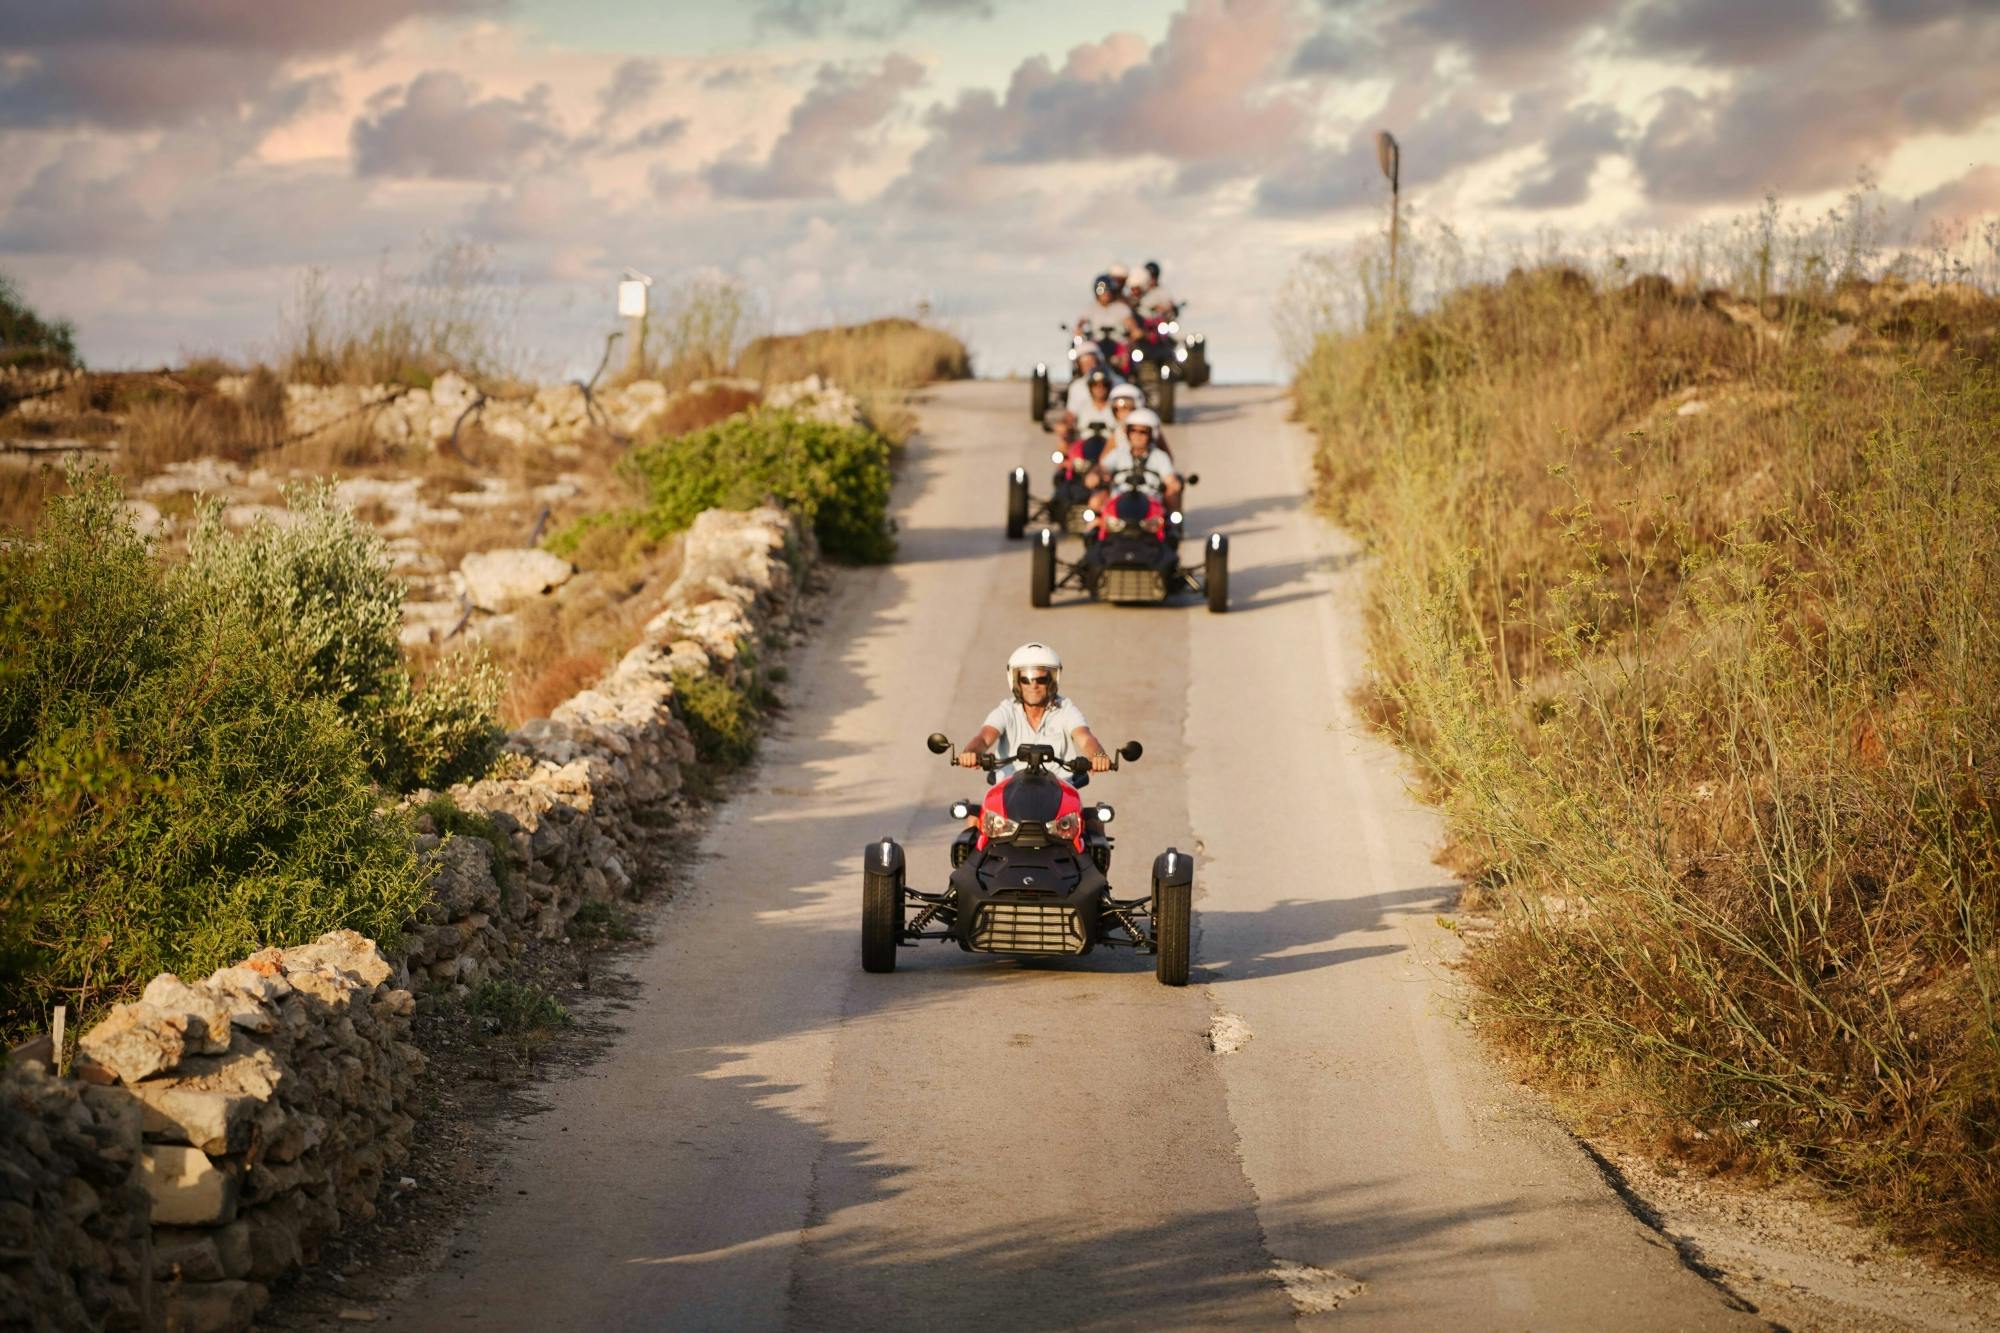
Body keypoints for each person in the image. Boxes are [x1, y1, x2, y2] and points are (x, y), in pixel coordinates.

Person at [957, 642, 1110, 784]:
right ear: (1017, 682)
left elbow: (1085, 738)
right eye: (1026, 680)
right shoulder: (1006, 710)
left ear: (1052, 682)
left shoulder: (1066, 709)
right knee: (973, 813)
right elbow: (983, 738)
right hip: (1009, 791)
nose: (1033, 685)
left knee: (1091, 814)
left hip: (1058, 793)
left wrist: (1098, 756)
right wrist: (970, 753)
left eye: (1041, 680)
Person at [1091, 407, 1181, 507]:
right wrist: (1095, 475)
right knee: (1095, 502)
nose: (1137, 435)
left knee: (1172, 498)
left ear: (1152, 434)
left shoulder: (1160, 457)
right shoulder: (1118, 453)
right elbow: (1103, 468)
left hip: (1150, 505)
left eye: (1143, 432)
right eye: (1133, 430)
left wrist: (1174, 484)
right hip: (1119, 503)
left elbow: (1170, 479)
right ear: (1127, 433)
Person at [1075, 275, 1133, 346]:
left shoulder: (1121, 308)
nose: (1106, 293)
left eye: (1109, 290)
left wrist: (1135, 332)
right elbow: (1081, 322)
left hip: (1119, 345)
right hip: (1097, 344)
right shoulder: (1091, 308)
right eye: (1102, 290)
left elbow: (1131, 325)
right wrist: (1079, 330)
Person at [1064, 344, 1121, 413]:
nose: (1089, 367)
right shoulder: (1076, 387)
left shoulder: (1118, 382)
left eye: (1091, 362)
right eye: (1084, 364)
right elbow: (1071, 413)